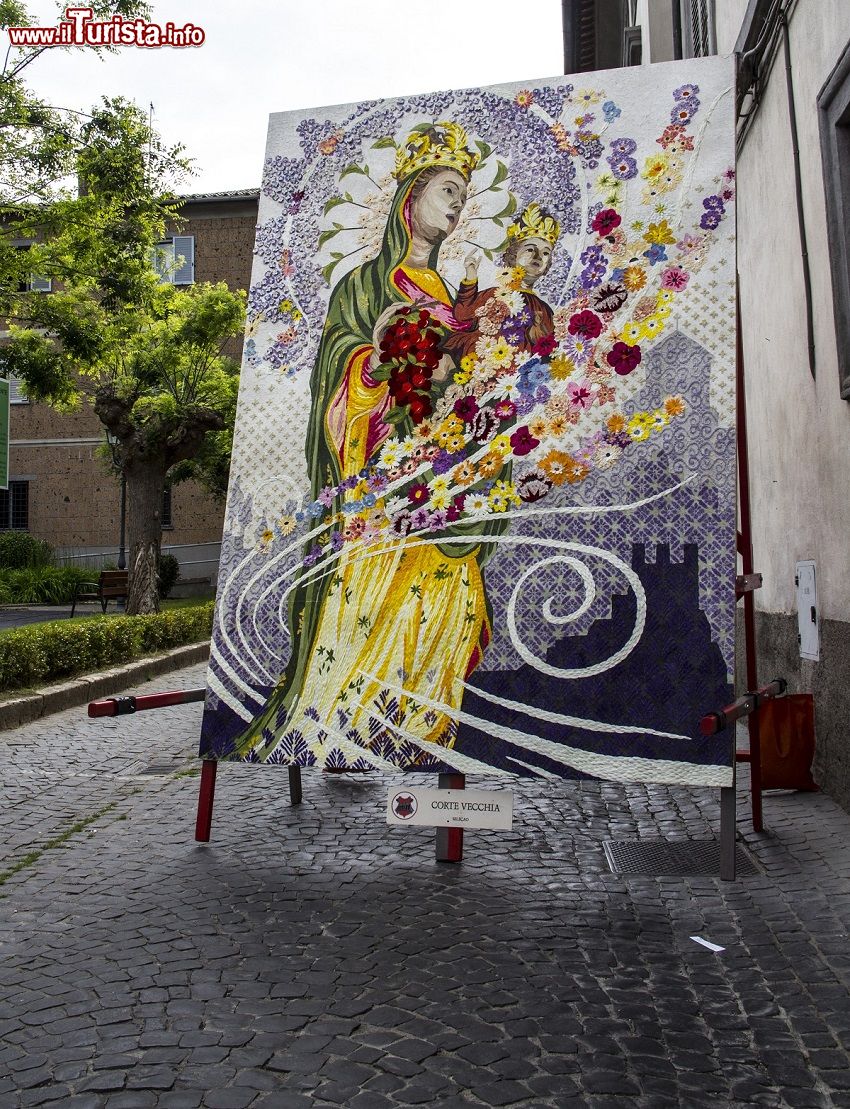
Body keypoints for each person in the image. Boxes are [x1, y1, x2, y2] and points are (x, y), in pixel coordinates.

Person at [233, 122, 492, 765]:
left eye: (465, 194)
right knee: (374, 590)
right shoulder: (364, 282)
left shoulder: (461, 295)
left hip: (443, 463)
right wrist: (376, 365)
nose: (458, 203)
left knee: (444, 591)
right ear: (409, 197)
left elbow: (472, 374)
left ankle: (420, 727)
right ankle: (347, 719)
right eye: (447, 189)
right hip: (382, 461)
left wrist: (461, 375)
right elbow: (340, 365)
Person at [445, 201, 561, 363]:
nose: (537, 256)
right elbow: (462, 314)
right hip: (477, 363)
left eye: (545, 253)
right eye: (530, 249)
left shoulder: (545, 311)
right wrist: (471, 276)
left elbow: (550, 351)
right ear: (514, 254)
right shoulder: (496, 294)